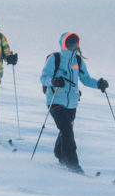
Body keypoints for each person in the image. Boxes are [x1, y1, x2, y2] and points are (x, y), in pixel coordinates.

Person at [39, 31, 107, 172]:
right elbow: (43, 77)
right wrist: (53, 81)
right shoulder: (55, 58)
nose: (72, 47)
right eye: (69, 44)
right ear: (63, 44)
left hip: (72, 104)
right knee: (66, 130)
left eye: (75, 44)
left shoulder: (78, 61)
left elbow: (86, 79)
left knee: (66, 130)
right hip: (55, 100)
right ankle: (73, 164)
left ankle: (59, 153)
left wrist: (98, 84)